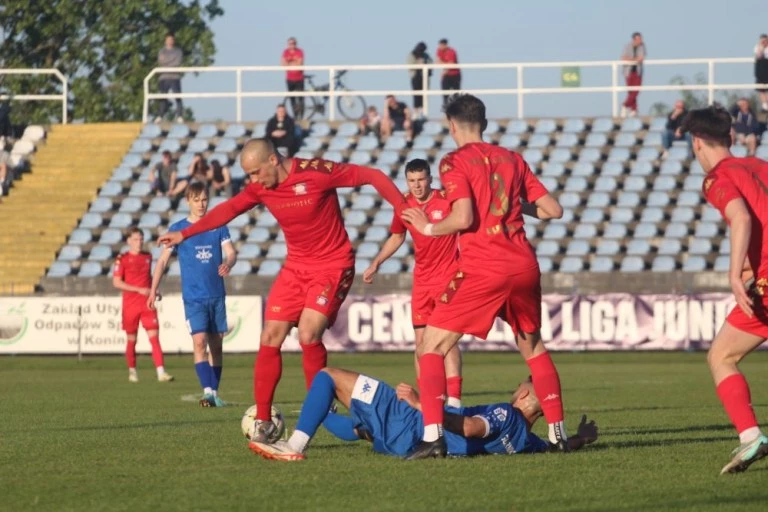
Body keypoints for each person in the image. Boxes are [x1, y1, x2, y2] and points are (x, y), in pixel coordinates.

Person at [157, 138, 407, 441]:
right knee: (269, 336)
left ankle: (323, 407)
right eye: (248, 175)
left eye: (255, 172)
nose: (252, 181)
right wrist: (185, 233)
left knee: (307, 334)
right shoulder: (261, 187)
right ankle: (263, 420)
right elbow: (230, 209)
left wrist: (403, 208)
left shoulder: (317, 172)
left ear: (273, 161)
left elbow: (373, 176)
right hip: (296, 267)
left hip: (332, 265)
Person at [398, 94, 565, 459]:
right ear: (485, 124)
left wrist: (428, 227)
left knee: (431, 347)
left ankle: (433, 437)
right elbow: (553, 210)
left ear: (452, 126)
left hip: (483, 267)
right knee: (533, 347)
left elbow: (464, 218)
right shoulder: (512, 158)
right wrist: (508, 206)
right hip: (523, 264)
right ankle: (558, 434)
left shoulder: (453, 161)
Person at [248, 368, 598, 461]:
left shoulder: (506, 413)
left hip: (410, 422)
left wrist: (420, 405)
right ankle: (315, 414)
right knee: (362, 429)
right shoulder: (530, 442)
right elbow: (560, 447)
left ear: (523, 394)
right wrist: (583, 438)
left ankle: (293, 444)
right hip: (403, 443)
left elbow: (474, 427)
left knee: (328, 377)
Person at [680, 105, 768, 474]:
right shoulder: (760, 166)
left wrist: (736, 275)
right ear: (730, 137)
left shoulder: (717, 177)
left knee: (721, 357)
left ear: (697, 143)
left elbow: (742, 217)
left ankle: (751, 437)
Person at [363, 159, 463, 407]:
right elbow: (397, 236)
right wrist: (377, 262)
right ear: (406, 182)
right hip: (422, 281)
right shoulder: (404, 205)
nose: (417, 186)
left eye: (421, 180)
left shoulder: (446, 200)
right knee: (420, 344)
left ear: (430, 179)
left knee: (445, 341)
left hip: (448, 278)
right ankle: (429, 398)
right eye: (411, 181)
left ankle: (455, 401)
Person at [149, 182, 236, 407]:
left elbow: (231, 252)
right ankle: (207, 392)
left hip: (216, 295)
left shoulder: (218, 226)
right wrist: (153, 288)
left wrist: (229, 263)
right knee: (199, 342)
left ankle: (214, 393)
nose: (201, 204)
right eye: (196, 200)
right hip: (193, 298)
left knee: (216, 346)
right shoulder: (179, 229)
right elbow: (162, 261)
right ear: (188, 200)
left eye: (204, 199)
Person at [112, 228, 174, 383]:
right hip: (130, 304)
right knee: (132, 340)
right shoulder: (122, 259)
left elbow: (149, 277)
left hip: (147, 304)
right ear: (128, 241)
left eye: (140, 239)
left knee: (154, 338)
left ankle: (161, 372)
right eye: (135, 239)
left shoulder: (148, 256)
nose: (138, 242)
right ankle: (132, 370)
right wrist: (138, 289)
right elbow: (117, 282)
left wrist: (154, 290)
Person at [155, 32, 184, 123]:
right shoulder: (161, 51)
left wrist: (168, 63)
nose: (170, 41)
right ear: (165, 41)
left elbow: (178, 62)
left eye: (171, 39)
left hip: (175, 77)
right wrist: (171, 62)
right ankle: (160, 116)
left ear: (174, 40)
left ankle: (179, 116)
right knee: (163, 97)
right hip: (163, 77)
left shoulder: (178, 51)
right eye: (168, 39)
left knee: (178, 96)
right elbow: (161, 61)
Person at [620, 32, 646, 118]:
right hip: (628, 72)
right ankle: (634, 109)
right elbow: (623, 58)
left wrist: (631, 59)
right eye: (638, 39)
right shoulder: (627, 46)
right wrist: (634, 59)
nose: (640, 40)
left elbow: (641, 58)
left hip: (638, 72)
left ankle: (625, 105)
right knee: (630, 91)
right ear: (634, 39)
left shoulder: (642, 47)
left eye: (641, 38)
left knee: (636, 90)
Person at [406, 42, 433, 118]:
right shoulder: (412, 55)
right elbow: (410, 66)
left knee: (424, 95)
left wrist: (425, 65)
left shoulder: (426, 56)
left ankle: (423, 112)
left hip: (424, 77)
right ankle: (416, 112)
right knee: (416, 95)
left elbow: (431, 63)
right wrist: (418, 64)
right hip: (415, 77)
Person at [281, 37, 305, 120]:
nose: (292, 45)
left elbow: (299, 64)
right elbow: (283, 64)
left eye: (294, 43)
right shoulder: (285, 52)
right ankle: (295, 116)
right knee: (292, 99)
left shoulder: (300, 51)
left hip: (299, 78)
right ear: (288, 44)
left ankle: (301, 117)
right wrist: (293, 63)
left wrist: (290, 63)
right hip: (289, 78)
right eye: (290, 43)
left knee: (301, 98)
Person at [436, 39, 461, 106]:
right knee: (445, 95)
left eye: (441, 45)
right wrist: (446, 66)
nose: (440, 47)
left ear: (445, 45)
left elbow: (451, 63)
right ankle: (446, 112)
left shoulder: (451, 51)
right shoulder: (439, 51)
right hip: (446, 75)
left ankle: (457, 111)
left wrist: (444, 68)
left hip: (455, 74)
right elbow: (437, 61)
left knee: (456, 95)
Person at [754, 34, 768, 112]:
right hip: (760, 70)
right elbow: (758, 56)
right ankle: (764, 105)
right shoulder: (757, 47)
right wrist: (761, 47)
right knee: (761, 88)